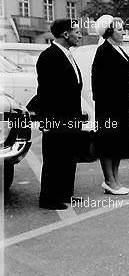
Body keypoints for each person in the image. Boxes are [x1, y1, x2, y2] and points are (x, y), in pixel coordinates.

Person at [35, 19, 85, 210]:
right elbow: (46, 92)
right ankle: (48, 198)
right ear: (66, 34)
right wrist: (47, 121)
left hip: (70, 116)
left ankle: (65, 193)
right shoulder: (50, 56)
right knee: (54, 158)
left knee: (68, 156)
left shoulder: (67, 54)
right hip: (56, 117)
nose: (79, 35)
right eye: (77, 32)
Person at [92, 15, 129, 194]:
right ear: (109, 31)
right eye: (120, 29)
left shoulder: (118, 49)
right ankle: (109, 180)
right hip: (110, 106)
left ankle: (114, 180)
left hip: (122, 105)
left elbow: (119, 74)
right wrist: (127, 80)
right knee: (108, 143)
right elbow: (103, 80)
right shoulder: (104, 51)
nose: (123, 31)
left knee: (118, 143)